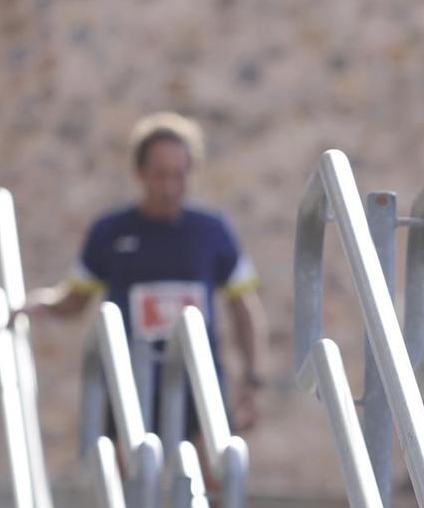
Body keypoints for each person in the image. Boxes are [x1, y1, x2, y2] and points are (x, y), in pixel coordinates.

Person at [27, 112, 268, 435]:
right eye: (161, 175)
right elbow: (75, 299)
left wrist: (252, 380)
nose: (170, 187)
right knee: (124, 476)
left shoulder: (212, 233)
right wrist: (42, 303)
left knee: (211, 476)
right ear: (140, 173)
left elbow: (243, 309)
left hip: (198, 386)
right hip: (126, 388)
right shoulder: (109, 232)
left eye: (179, 175)